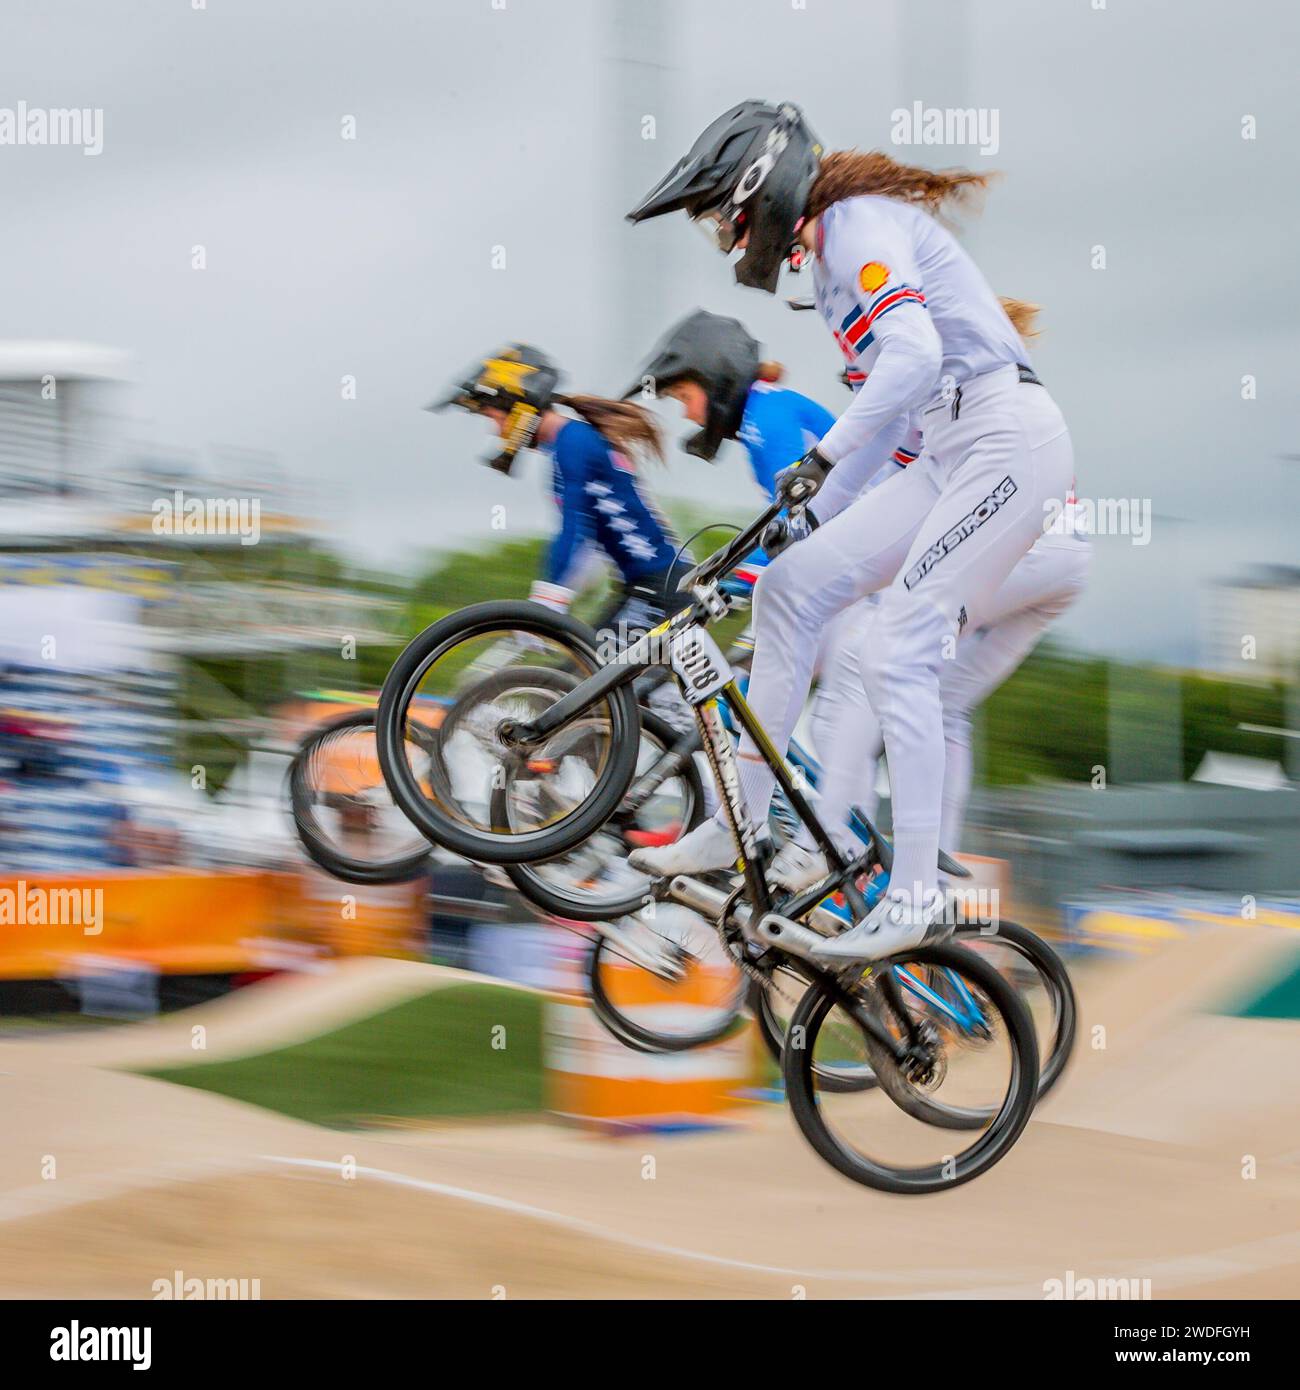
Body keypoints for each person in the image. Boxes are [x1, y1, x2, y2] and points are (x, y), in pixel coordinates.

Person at [625, 100, 1076, 961]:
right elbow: (890, 431)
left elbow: (909, 363)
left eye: (722, 215)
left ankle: (916, 896)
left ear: (761, 187)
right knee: (793, 592)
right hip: (946, 450)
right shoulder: (830, 268)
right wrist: (785, 534)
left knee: (899, 644)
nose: (725, 237)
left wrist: (820, 462)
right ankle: (741, 823)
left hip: (1004, 443)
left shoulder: (858, 227)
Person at [435, 345, 693, 647]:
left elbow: (574, 528)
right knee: (585, 676)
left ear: (519, 406)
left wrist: (549, 599)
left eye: (495, 417)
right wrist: (560, 595)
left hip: (660, 589)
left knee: (588, 682)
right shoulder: (568, 443)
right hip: (645, 587)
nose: (496, 430)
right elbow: (590, 543)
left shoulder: (573, 444)